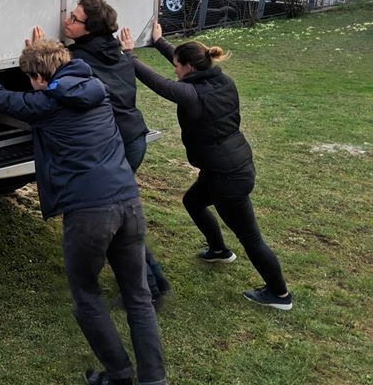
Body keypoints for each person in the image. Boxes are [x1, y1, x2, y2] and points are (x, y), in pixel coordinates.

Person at [0, 36, 168, 385]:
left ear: (41, 79)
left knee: (86, 294)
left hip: (89, 212)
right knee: (138, 297)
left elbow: (3, 100)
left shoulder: (48, 103)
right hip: (128, 202)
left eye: (33, 79)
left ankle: (121, 379)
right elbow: (56, 80)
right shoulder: (94, 87)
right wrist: (40, 55)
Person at [120, 22, 292, 310]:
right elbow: (184, 64)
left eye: (177, 65)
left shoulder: (193, 94)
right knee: (193, 201)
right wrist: (160, 42)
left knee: (251, 236)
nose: (175, 69)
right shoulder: (221, 80)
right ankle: (218, 250)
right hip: (229, 164)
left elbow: (159, 84)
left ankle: (280, 294)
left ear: (188, 67)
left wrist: (128, 55)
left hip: (228, 177)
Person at [36, 0, 170, 302]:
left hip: (116, 145)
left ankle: (146, 288)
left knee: (110, 221)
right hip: (135, 139)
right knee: (120, 217)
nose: (67, 20)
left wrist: (42, 56)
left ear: (89, 29)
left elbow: (56, 87)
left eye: (74, 18)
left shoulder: (77, 60)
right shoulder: (118, 52)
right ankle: (154, 281)